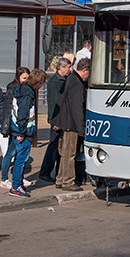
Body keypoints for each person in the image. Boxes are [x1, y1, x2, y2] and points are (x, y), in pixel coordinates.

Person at [4, 69, 46, 198]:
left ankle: (18, 185)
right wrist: (21, 133)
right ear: (38, 83)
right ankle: (16, 187)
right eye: (42, 83)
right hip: (24, 131)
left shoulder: (22, 89)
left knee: (19, 158)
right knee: (21, 159)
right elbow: (22, 115)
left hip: (19, 129)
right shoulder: (27, 94)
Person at [54, 58, 89, 192]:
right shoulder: (76, 83)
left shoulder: (71, 79)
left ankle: (61, 178)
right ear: (84, 70)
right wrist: (81, 128)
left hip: (66, 121)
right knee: (70, 154)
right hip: (71, 124)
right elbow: (77, 108)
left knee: (65, 153)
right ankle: (68, 181)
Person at [38, 56, 72, 183]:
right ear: (61, 68)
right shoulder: (55, 82)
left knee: (59, 147)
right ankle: (45, 171)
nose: (70, 69)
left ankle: (57, 171)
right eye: (68, 67)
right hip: (57, 120)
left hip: (62, 118)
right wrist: (55, 121)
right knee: (53, 146)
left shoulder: (65, 79)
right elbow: (53, 103)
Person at [0, 67, 31, 186]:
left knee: (17, 153)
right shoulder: (14, 89)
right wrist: (8, 127)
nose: (26, 80)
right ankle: (4, 179)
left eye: (28, 78)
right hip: (15, 126)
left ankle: (17, 178)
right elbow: (9, 110)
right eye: (24, 78)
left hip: (16, 125)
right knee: (11, 153)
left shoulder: (20, 88)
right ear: (18, 77)